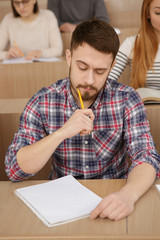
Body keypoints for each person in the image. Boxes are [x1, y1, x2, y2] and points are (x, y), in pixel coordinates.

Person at [5, 19, 160, 221]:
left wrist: (129, 195)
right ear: (69, 58)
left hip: (115, 197)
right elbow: (14, 169)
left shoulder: (127, 98)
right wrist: (62, 133)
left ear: (112, 66)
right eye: (82, 66)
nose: (89, 80)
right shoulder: (43, 100)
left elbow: (147, 157)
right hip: (60, 206)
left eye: (100, 71)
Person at [109, 0, 160, 90]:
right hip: (145, 102)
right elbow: (108, 80)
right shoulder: (131, 44)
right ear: (147, 14)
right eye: (158, 13)